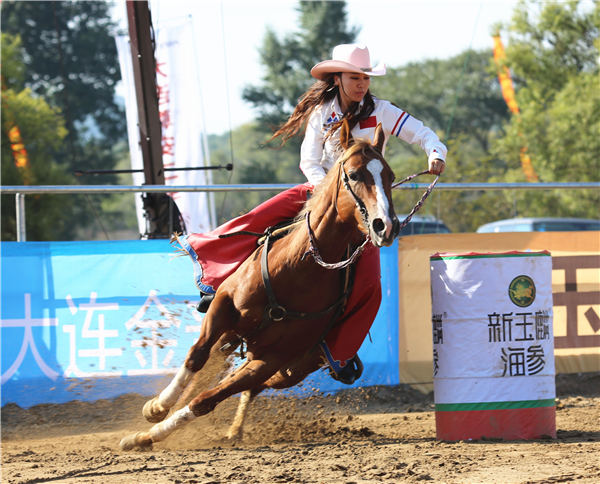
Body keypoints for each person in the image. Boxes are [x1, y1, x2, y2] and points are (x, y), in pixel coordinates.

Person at [178, 44, 447, 384]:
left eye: (365, 77)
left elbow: (422, 133)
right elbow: (309, 160)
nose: (361, 83)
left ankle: (337, 352)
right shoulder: (323, 112)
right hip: (321, 192)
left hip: (361, 208)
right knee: (258, 219)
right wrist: (329, 192)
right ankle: (215, 280)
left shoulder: (382, 111)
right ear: (337, 78)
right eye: (354, 77)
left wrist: (435, 152)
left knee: (370, 288)